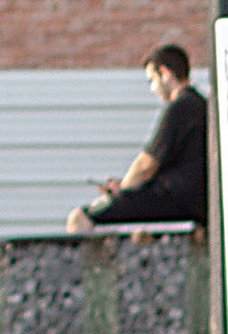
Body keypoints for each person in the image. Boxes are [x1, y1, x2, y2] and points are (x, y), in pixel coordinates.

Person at [70, 43, 208, 234]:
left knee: (80, 217)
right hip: (194, 201)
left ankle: (87, 254)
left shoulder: (180, 107)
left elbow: (146, 166)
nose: (153, 89)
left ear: (165, 73)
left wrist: (122, 190)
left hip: (172, 199)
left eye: (152, 80)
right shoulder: (200, 104)